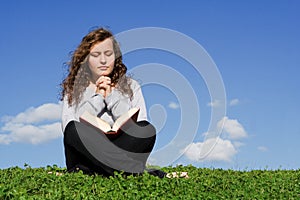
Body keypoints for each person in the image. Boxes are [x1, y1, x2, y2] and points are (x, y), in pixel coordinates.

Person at [60, 27, 165, 177]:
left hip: (122, 147)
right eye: (96, 55)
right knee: (73, 129)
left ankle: (106, 170)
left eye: (108, 54)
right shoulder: (73, 88)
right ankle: (135, 171)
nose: (103, 60)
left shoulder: (131, 85)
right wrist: (98, 97)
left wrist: (111, 97)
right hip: (86, 154)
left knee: (146, 129)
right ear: (86, 59)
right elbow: (70, 128)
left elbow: (139, 121)